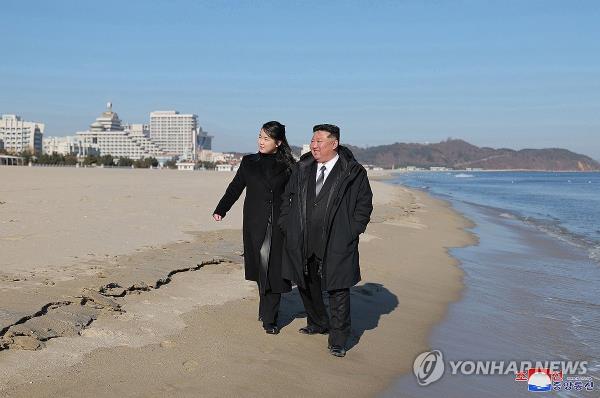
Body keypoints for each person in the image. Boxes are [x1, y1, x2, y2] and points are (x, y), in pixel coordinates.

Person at [279, 124, 373, 357]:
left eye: (319, 141)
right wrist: (285, 223)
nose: (314, 145)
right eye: (312, 140)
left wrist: (352, 230)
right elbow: (288, 197)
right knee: (305, 281)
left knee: (337, 289)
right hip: (302, 236)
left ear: (334, 143)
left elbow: (364, 205)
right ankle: (318, 322)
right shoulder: (303, 167)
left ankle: (339, 340)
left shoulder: (353, 171)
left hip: (337, 238)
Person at [213, 121, 295, 334]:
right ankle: (264, 307)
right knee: (261, 268)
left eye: (266, 138)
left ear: (278, 142)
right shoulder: (249, 162)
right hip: (255, 223)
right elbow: (235, 187)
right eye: (260, 136)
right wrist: (221, 209)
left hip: (278, 225)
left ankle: (270, 318)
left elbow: (296, 195)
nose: (261, 141)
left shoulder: (289, 166)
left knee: (274, 270)